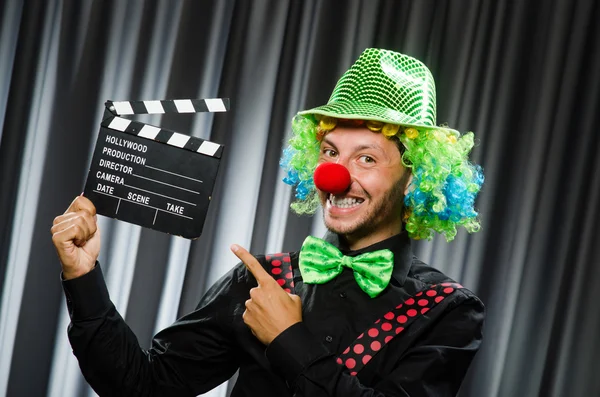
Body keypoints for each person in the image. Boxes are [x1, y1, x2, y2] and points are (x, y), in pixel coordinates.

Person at [51, 48, 485, 396]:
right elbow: (143, 385)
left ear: (416, 179)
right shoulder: (263, 280)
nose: (334, 175)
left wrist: (288, 337)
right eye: (331, 152)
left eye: (367, 158)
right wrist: (83, 274)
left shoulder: (447, 310)